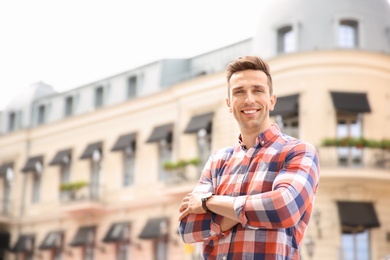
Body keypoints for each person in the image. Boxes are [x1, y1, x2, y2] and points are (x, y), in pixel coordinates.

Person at [178, 56, 320, 260]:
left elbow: (283, 208)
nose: (249, 99)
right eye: (239, 92)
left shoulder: (298, 152)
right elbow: (187, 228)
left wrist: (209, 202)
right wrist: (256, 208)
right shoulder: (217, 160)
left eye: (258, 90)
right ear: (229, 104)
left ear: (272, 100)